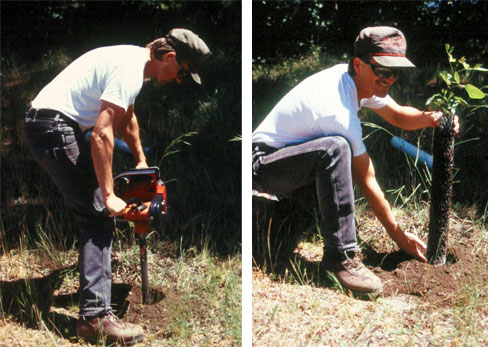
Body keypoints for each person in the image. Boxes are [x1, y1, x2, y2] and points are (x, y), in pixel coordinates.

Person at [23, 28, 210, 345]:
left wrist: (140, 161)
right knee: (97, 212)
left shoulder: (131, 61)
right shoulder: (129, 69)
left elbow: (127, 118)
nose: (178, 80)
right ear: (170, 57)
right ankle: (94, 319)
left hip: (47, 125)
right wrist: (108, 195)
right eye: (182, 73)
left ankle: (94, 310)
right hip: (53, 128)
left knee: (93, 210)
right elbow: (101, 135)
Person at [252, 26, 458, 296]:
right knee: (334, 150)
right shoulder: (337, 110)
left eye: (396, 72)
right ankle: (341, 257)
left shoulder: (354, 79)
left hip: (289, 162)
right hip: (262, 163)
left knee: (324, 190)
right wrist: (398, 235)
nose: (390, 79)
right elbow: (366, 179)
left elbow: (397, 115)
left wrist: (431, 118)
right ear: (360, 64)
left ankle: (270, 219)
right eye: (384, 71)